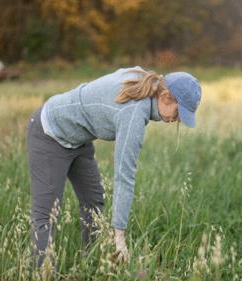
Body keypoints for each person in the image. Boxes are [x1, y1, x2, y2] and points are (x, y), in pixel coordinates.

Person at [26, 66, 202, 269]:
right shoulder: (135, 112)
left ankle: (91, 265)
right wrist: (119, 236)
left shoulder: (147, 82)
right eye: (180, 112)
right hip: (50, 133)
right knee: (46, 215)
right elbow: (124, 175)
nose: (178, 119)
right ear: (166, 96)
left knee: (93, 201)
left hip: (79, 141)